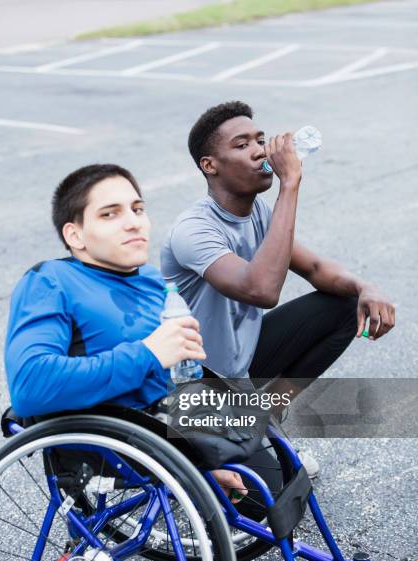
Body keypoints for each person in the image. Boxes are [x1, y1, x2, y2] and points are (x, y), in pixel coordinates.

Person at [161, 101, 396, 479]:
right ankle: (209, 452)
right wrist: (289, 184)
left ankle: (263, 415)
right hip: (196, 384)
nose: (259, 151)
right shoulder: (194, 230)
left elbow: (316, 268)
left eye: (260, 140)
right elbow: (261, 290)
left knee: (345, 304)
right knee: (274, 496)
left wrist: (365, 286)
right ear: (210, 165)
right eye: (242, 145)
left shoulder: (259, 214)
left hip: (242, 365)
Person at [4, 163, 253, 504]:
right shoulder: (50, 282)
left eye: (138, 209)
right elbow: (30, 386)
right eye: (110, 214)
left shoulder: (151, 280)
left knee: (277, 489)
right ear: (75, 235)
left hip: (172, 426)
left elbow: (170, 380)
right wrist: (148, 353)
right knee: (267, 500)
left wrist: (200, 455)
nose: (133, 221)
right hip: (116, 443)